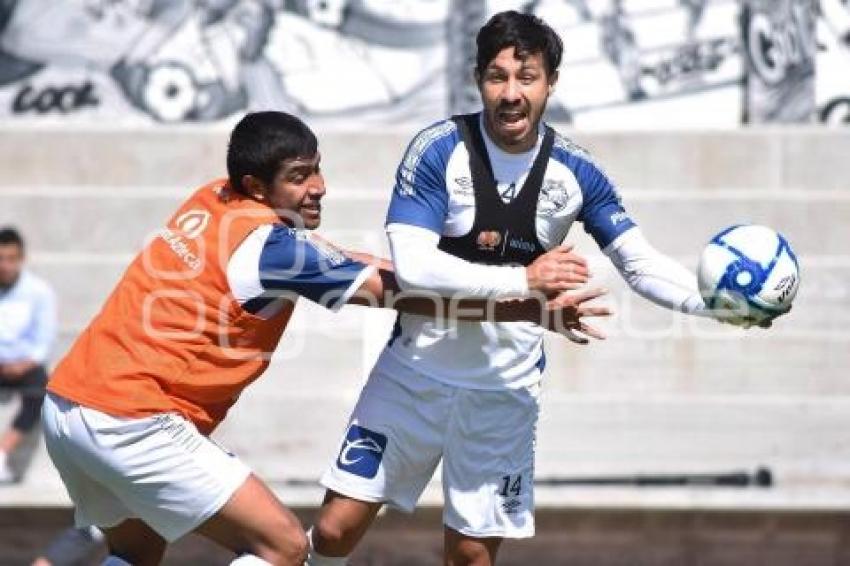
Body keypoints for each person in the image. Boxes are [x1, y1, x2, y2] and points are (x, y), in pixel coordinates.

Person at [307, 10, 783, 566]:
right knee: (335, 531)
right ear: (477, 79)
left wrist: (716, 306)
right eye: (497, 76)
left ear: (550, 82)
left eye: (526, 77)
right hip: (414, 372)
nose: (511, 93)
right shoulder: (437, 150)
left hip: (502, 393)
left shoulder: (577, 172)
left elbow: (638, 261)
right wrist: (524, 279)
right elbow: (414, 266)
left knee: (470, 557)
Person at [41, 110, 605, 566]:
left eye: (317, 169)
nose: (319, 187)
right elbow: (390, 292)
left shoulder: (214, 198)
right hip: (135, 418)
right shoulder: (274, 248)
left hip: (69, 405)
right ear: (256, 185)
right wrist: (521, 298)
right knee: (284, 548)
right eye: (299, 176)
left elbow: (339, 260)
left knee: (136, 551)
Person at [0, 226, 56, 484]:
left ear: (20, 259)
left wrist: (23, 364)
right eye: (0, 259)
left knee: (40, 393)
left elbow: (43, 340)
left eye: (11, 259)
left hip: (25, 365)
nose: (5, 266)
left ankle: (2, 452)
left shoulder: (39, 291)